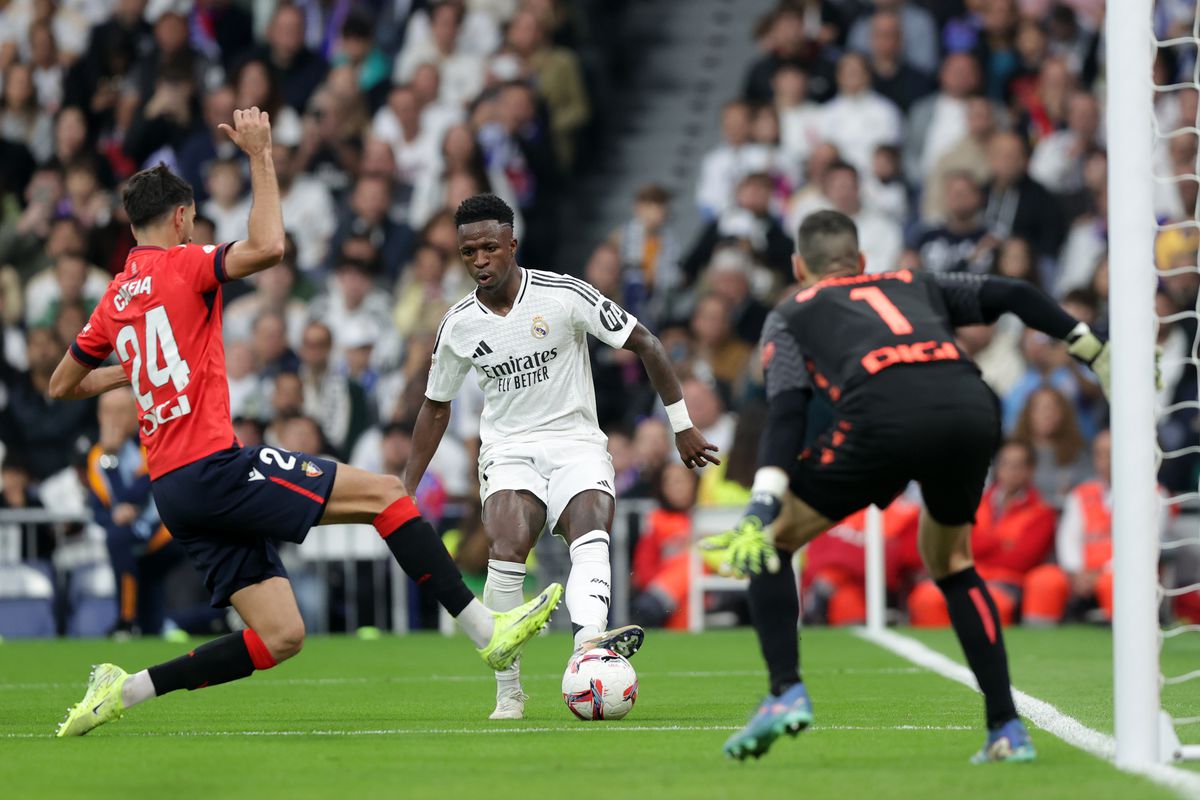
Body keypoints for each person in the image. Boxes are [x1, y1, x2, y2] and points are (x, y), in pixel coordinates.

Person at [50, 110, 562, 738]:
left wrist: (131, 368)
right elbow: (268, 247)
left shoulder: (113, 299)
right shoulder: (184, 264)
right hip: (213, 466)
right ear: (181, 218)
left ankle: (125, 688)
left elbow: (62, 384)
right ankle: (488, 630)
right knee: (386, 494)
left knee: (281, 636)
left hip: (174, 491)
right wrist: (260, 155)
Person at [701, 210, 1113, 763]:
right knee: (950, 559)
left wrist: (763, 501)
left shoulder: (791, 312)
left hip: (882, 413)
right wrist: (1087, 344)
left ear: (800, 267)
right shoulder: (911, 281)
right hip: (969, 407)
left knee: (772, 540)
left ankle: (784, 693)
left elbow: (786, 414)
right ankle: (1006, 730)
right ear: (862, 262)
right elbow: (1014, 291)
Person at [404, 194, 719, 721]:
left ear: (512, 245)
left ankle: (589, 646)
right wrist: (405, 486)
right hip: (508, 449)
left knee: (591, 525)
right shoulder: (457, 325)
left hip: (576, 441)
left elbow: (646, 342)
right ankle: (509, 691)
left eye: (488, 247)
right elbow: (435, 408)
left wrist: (682, 426)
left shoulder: (564, 294)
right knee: (507, 543)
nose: (479, 260)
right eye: (467, 252)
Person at [86, 389, 182, 638]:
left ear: (136, 413)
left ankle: (125, 621)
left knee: (118, 538)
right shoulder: (96, 455)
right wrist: (116, 514)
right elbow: (99, 509)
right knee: (119, 538)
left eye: (120, 411)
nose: (113, 419)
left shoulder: (151, 443)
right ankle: (146, 626)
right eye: (107, 412)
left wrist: (113, 462)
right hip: (132, 533)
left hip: (163, 531)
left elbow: (136, 495)